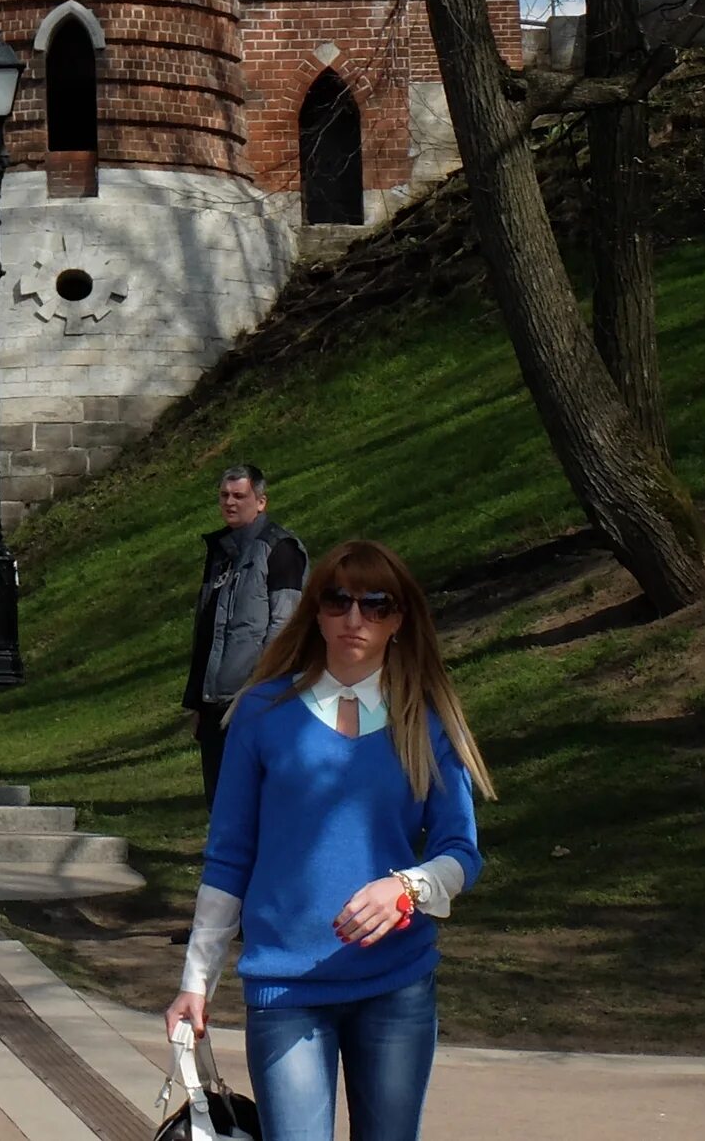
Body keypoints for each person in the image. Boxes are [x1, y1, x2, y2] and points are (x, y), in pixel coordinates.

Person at [168, 540, 491, 1141]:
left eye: (376, 604)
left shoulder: (425, 719)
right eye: (338, 600)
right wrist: (195, 982)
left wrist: (406, 889)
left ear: (400, 620)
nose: (354, 618)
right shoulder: (262, 713)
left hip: (397, 984)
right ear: (314, 611)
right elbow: (229, 855)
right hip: (287, 987)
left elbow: (461, 851)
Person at [188, 463, 309, 800]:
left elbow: (285, 626)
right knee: (218, 795)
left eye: (239, 496)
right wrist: (198, 699)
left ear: (260, 502)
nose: (230, 502)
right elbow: (208, 630)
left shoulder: (280, 549)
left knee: (249, 793)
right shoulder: (221, 553)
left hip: (254, 696)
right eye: (224, 496)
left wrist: (263, 688)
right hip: (215, 697)